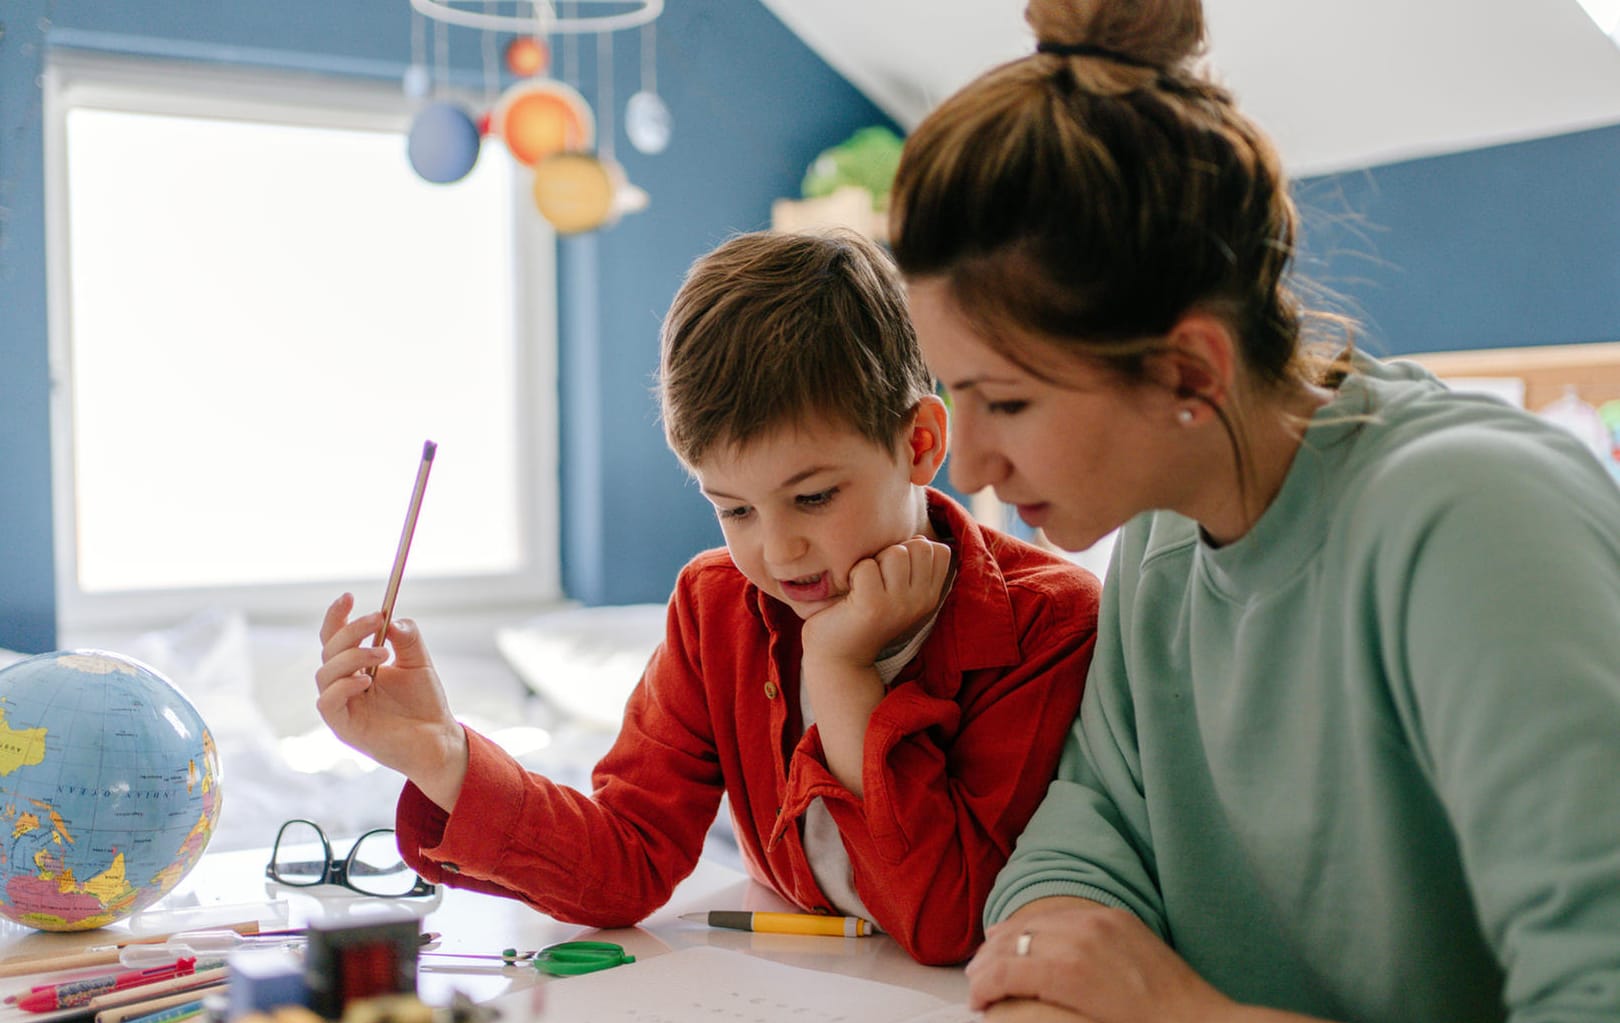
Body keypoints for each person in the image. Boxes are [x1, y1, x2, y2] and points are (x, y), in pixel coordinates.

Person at [887, 0, 1620, 1023]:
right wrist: (1044, 1000)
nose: (971, 469)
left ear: (1189, 372)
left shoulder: (1474, 526)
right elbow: (1089, 827)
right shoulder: (1165, 545)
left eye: (1006, 402)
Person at [314, 230, 1101, 966]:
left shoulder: (1050, 621)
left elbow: (948, 922)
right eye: (734, 509)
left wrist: (840, 672)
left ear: (920, 442)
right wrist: (441, 756)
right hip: (792, 1002)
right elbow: (627, 860)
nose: (778, 550)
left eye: (815, 497)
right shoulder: (715, 604)